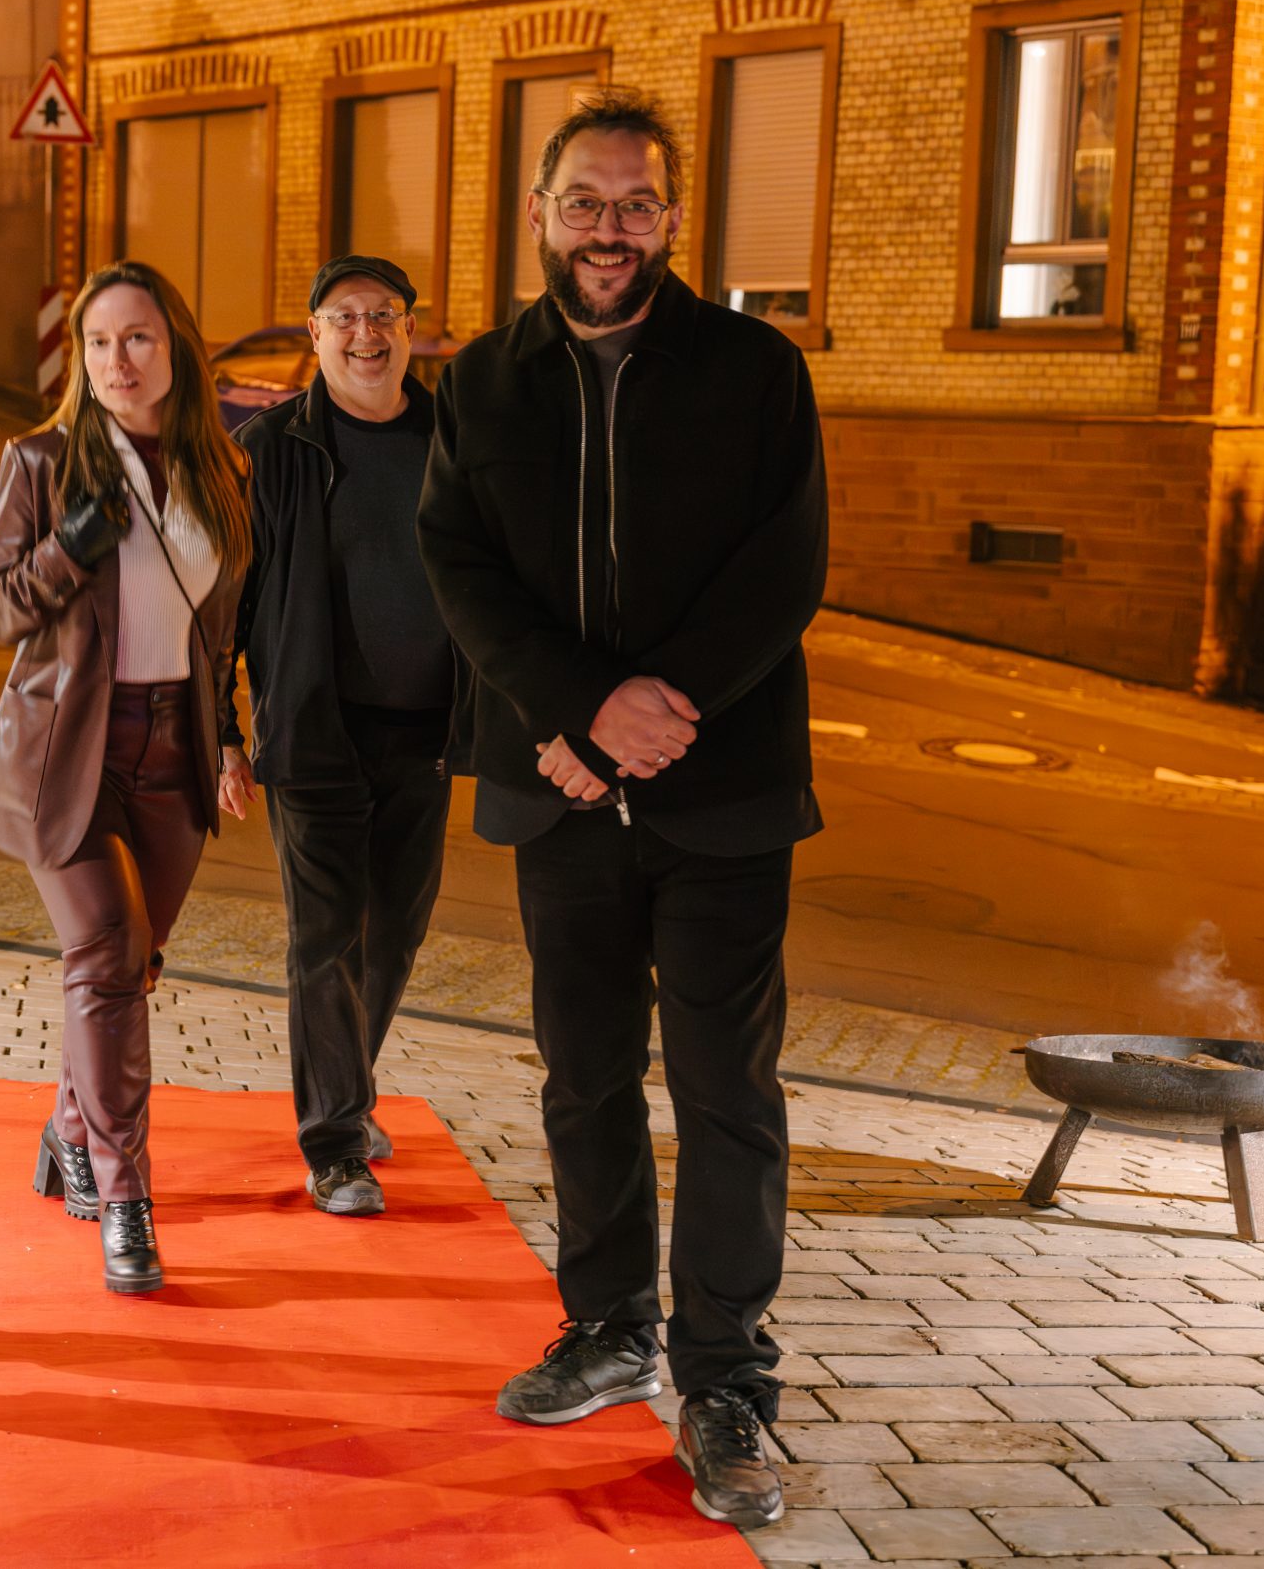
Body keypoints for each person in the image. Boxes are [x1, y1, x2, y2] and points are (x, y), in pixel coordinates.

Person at [416, 91, 827, 1530]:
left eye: (636, 204)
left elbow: (784, 568)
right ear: (538, 212)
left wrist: (658, 711)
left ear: (672, 218)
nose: (609, 229)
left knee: (727, 1092)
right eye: (584, 202)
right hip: (564, 789)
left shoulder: (755, 370)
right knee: (583, 1077)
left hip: (723, 794)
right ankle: (606, 1327)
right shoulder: (484, 383)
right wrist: (579, 711)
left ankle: (726, 1381)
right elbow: (459, 567)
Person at [0, 260, 250, 1295]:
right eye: (97, 342)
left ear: (177, 348)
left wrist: (229, 738)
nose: (115, 360)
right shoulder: (43, 461)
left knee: (133, 967)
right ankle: (125, 1194)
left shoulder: (221, 469)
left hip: (175, 749)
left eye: (136, 338)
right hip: (68, 752)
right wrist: (69, 546)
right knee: (104, 954)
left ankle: (68, 1128)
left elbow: (222, 628)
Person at [220, 254, 462, 1218]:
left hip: (426, 728)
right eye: (346, 318)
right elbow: (226, 600)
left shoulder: (453, 441)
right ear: (316, 335)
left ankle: (346, 1091)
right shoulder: (271, 447)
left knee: (394, 929)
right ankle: (334, 1144)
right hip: (313, 726)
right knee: (324, 934)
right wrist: (222, 728)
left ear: (409, 331)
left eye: (385, 315)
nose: (367, 333)